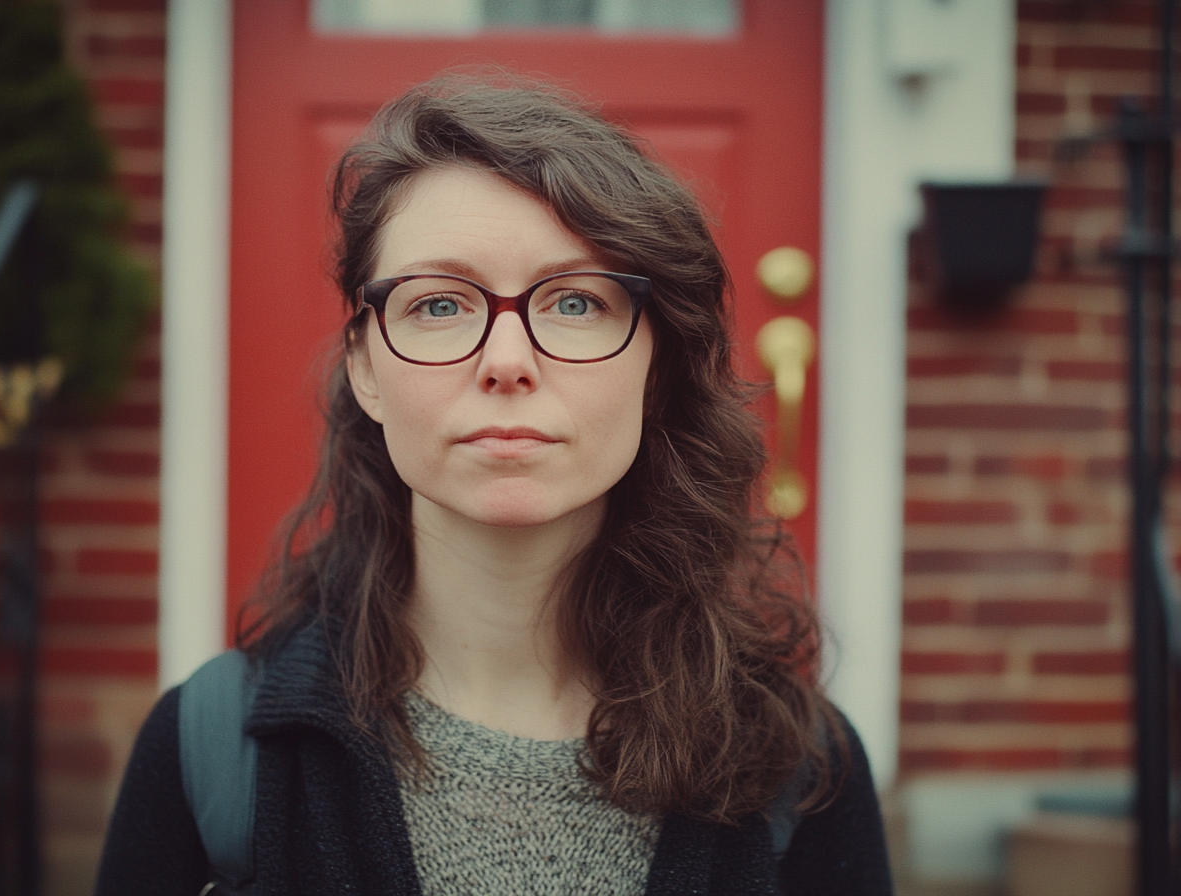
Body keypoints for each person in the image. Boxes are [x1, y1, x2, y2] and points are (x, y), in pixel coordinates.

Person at [94, 74, 892, 896]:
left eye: (576, 302)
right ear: (366, 367)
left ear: (658, 365)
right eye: (439, 304)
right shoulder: (211, 752)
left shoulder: (801, 772)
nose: (507, 361)